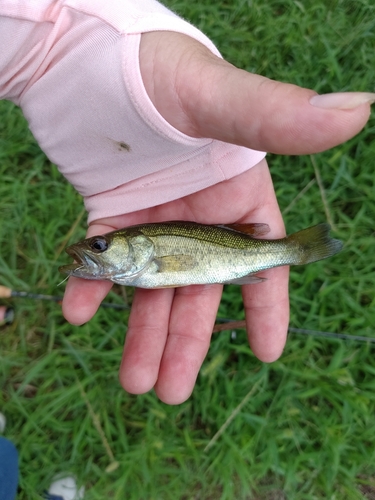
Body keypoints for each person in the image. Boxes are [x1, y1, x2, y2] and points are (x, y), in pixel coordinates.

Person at [0, 0, 373, 413]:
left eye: (101, 245)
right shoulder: (146, 259)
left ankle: (297, 250)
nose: (92, 247)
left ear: (135, 244)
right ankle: (294, 250)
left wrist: (64, 43)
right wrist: (54, 44)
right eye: (100, 245)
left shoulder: (149, 258)